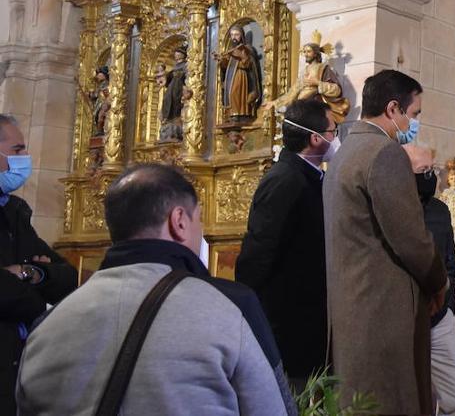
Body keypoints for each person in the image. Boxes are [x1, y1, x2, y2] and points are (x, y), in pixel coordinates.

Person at [17, 163, 295, 415]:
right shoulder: (231, 304)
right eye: (199, 220)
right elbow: (273, 407)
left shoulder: (47, 324)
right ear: (179, 222)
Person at [324, 69, 447, 416]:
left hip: (351, 308)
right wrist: (439, 281)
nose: (415, 121)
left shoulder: (345, 153)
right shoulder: (384, 153)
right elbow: (411, 239)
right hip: (383, 313)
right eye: (415, 113)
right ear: (394, 109)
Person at [236, 98, 337, 392]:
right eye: (333, 130)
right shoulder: (285, 180)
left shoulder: (311, 178)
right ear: (315, 138)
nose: (335, 137)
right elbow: (257, 255)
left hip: (309, 318)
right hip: (288, 323)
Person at [0, 115, 77, 416]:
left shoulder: (14, 212)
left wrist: (26, 272)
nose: (24, 159)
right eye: (17, 150)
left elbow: (68, 277)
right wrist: (35, 291)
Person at [416, 164, 455, 416]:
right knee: (415, 397)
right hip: (403, 318)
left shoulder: (441, 209)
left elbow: (449, 259)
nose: (431, 174)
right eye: (423, 169)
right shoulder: (395, 207)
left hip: (438, 318)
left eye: (432, 169)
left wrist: (447, 306)